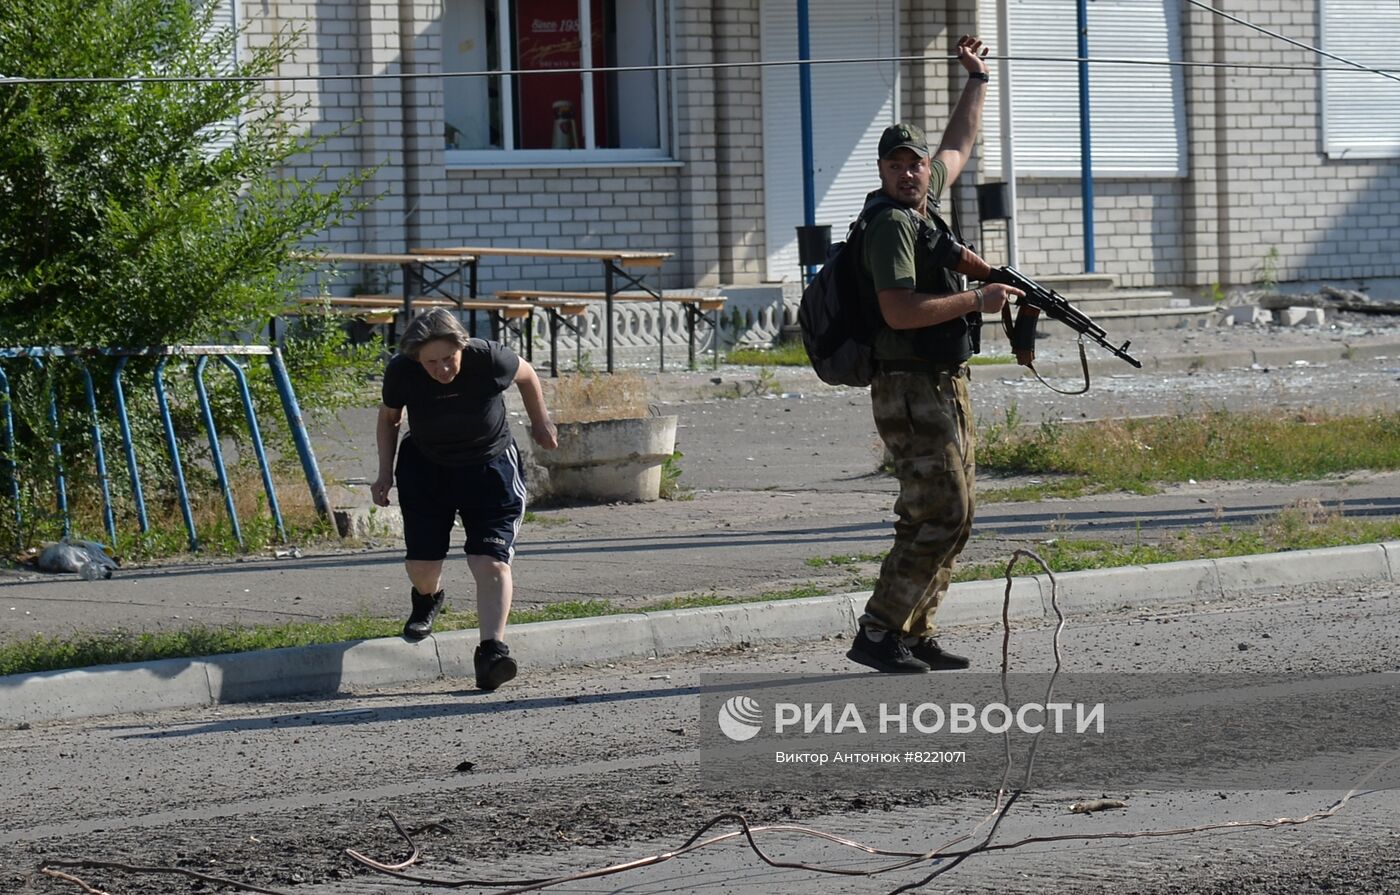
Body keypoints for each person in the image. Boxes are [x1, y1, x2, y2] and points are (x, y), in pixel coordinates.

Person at [846, 35, 1029, 674]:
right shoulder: (894, 225)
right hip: (909, 386)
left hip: (942, 382)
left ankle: (914, 630)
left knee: (957, 512)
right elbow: (899, 311)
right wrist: (975, 300)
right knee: (939, 510)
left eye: (914, 163)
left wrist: (977, 80)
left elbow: (959, 144)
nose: (907, 172)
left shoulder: (927, 206)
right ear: (882, 172)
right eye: (894, 164)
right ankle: (878, 631)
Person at [371, 309, 558, 691]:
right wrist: (384, 473)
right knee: (423, 565)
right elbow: (390, 418)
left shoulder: (489, 357)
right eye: (431, 362)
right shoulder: (402, 371)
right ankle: (427, 599)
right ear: (416, 360)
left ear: (462, 346)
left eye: (448, 359)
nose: (441, 370)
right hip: (426, 467)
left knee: (489, 561)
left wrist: (540, 422)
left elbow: (527, 374)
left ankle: (492, 652)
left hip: (490, 467)